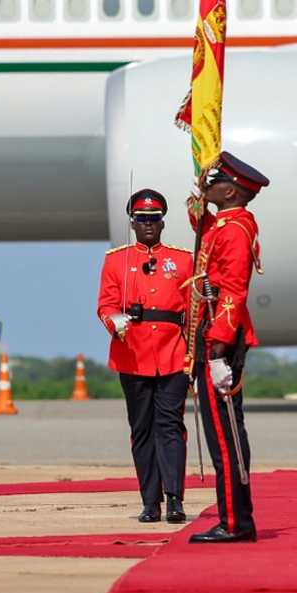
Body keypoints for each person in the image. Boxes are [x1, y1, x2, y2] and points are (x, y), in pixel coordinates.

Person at [96, 189, 193, 523]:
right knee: (141, 429)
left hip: (173, 354)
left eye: (153, 219)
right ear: (133, 223)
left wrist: (194, 353)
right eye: (141, 220)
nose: (148, 225)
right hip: (132, 353)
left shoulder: (182, 260)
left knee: (170, 426)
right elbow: (106, 305)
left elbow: (193, 311)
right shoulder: (115, 260)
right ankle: (149, 502)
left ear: (162, 222)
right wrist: (117, 323)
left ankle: (174, 498)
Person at [188, 152, 269, 544]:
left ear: (231, 190)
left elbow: (234, 289)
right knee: (223, 429)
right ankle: (234, 518)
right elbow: (205, 242)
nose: (207, 184)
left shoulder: (235, 229)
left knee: (225, 435)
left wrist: (218, 348)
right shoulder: (227, 223)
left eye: (213, 181)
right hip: (215, 329)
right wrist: (199, 203)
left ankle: (236, 523)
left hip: (222, 335)